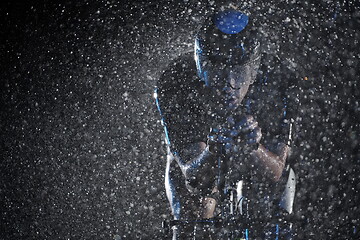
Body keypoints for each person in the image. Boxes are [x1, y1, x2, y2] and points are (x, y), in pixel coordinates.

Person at [155, 3, 297, 239]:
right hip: (202, 161)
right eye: (218, 71)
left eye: (239, 72)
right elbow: (193, 175)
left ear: (254, 69)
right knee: (196, 213)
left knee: (269, 214)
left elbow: (275, 172)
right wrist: (212, 149)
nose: (229, 84)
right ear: (201, 67)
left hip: (253, 162)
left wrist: (253, 148)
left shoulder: (279, 81)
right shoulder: (177, 82)